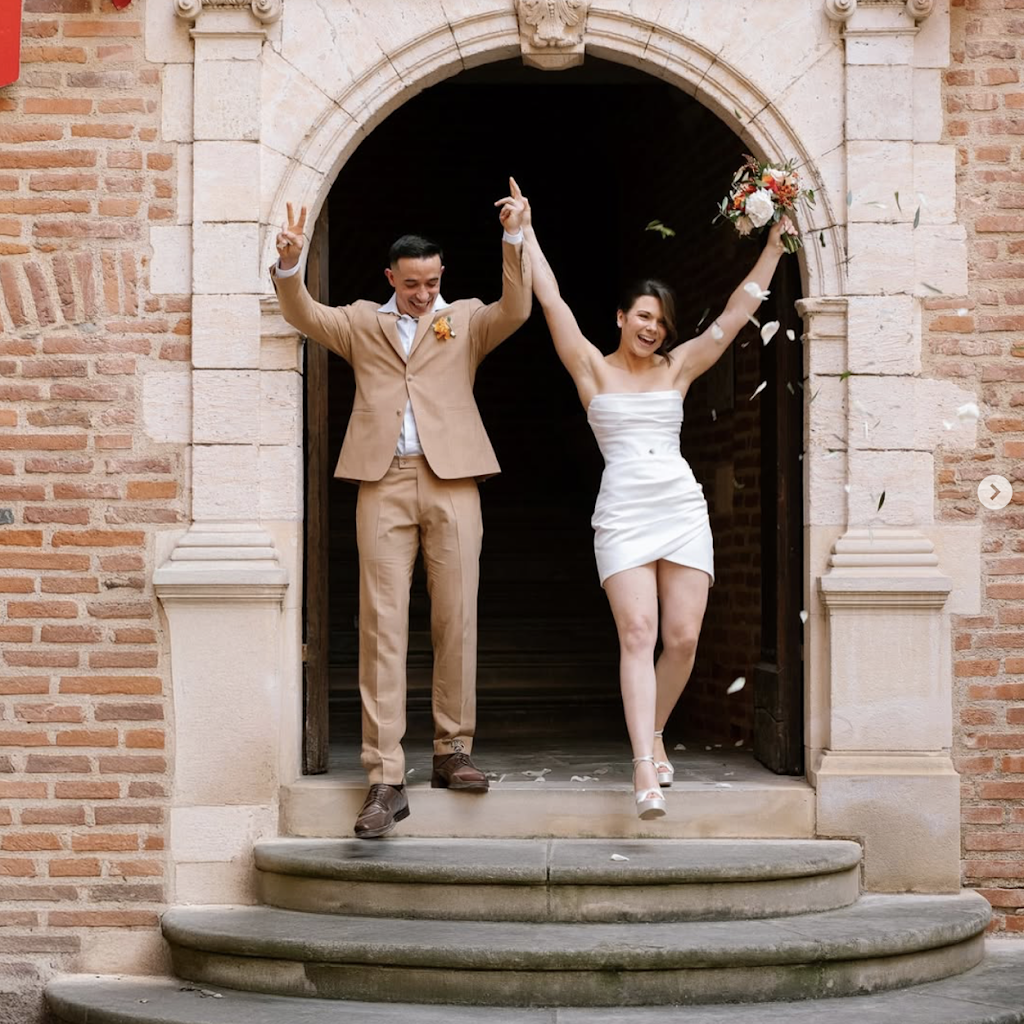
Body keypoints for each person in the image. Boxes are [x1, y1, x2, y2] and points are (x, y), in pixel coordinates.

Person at [518, 178, 795, 819]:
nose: (653, 327)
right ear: (621, 317)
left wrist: (775, 246)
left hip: (680, 509)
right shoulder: (591, 368)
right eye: (644, 316)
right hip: (623, 513)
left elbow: (734, 315)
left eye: (662, 320)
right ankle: (643, 764)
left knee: (683, 638)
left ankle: (656, 732)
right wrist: (525, 232)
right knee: (638, 632)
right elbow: (552, 299)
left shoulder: (678, 368)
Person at [271, 180, 531, 839]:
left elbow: (518, 307)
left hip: (453, 480)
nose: (422, 294)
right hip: (381, 480)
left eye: (431, 282)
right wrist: (291, 265)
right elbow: (304, 314)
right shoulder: (363, 320)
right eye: (412, 283)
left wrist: (514, 236)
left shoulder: (465, 318)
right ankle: (385, 777)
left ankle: (453, 751)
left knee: (457, 618)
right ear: (391, 277)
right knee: (381, 626)